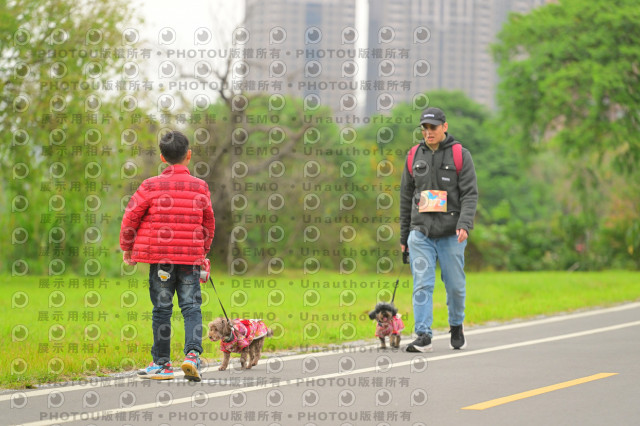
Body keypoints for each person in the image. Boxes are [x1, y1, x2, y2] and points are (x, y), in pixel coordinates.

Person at [119, 130, 215, 380]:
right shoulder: (200, 187)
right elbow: (208, 222)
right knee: (191, 306)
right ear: (188, 155)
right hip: (189, 260)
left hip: (161, 260)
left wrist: (127, 247)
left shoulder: (150, 185)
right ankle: (192, 356)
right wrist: (203, 250)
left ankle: (162, 364)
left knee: (162, 309)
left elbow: (131, 216)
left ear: (162, 157)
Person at [399, 107, 478, 352]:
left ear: (445, 127)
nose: (428, 132)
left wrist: (464, 224)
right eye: (424, 128)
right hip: (420, 232)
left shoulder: (460, 155)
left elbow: (470, 194)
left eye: (433, 127)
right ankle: (423, 335)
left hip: (451, 233)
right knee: (422, 284)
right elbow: (405, 197)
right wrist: (404, 236)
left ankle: (456, 324)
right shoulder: (413, 155)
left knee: (455, 285)